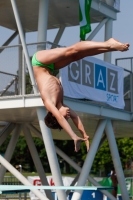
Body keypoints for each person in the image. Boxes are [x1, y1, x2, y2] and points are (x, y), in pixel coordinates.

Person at [32, 38, 129, 152]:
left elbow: (60, 119)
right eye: (67, 118)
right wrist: (84, 134)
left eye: (65, 117)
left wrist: (73, 136)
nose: (67, 116)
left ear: (55, 115)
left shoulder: (49, 103)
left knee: (71, 50)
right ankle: (109, 46)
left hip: (39, 62)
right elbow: (75, 117)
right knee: (77, 56)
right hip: (49, 67)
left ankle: (108, 44)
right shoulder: (62, 104)